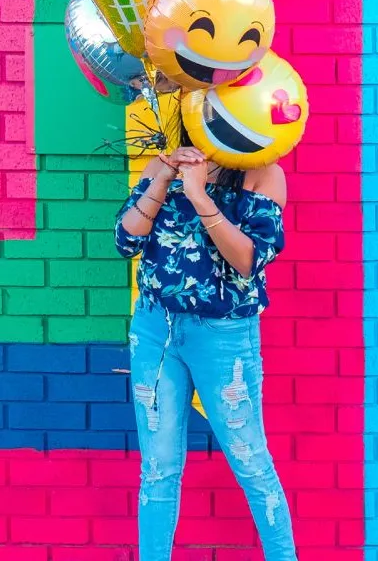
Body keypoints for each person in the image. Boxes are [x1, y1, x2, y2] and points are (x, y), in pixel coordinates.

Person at [115, 122, 297, 561]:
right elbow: (126, 240)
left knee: (251, 462)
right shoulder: (162, 166)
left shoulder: (261, 173)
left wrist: (199, 195)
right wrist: (162, 176)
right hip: (156, 330)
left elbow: (248, 260)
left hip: (224, 338)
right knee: (158, 470)